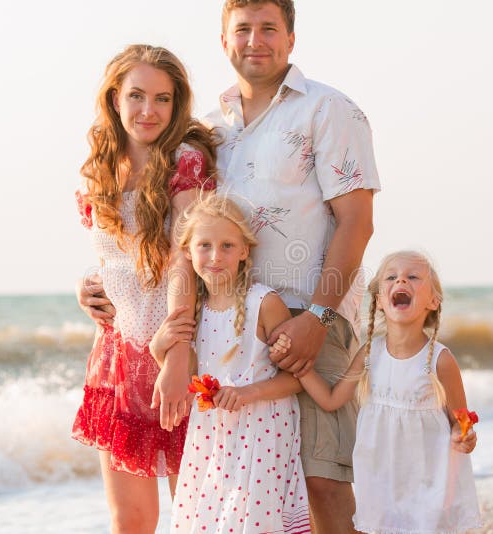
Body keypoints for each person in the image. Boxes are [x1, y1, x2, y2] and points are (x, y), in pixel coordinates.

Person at [204, 0, 381, 530]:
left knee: (323, 483)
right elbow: (184, 232)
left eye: (268, 29)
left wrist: (318, 318)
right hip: (235, 329)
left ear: (291, 39)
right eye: (242, 29)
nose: (254, 40)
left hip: (312, 318)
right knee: (254, 489)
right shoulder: (209, 129)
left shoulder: (328, 109)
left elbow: (356, 223)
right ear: (224, 40)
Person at [71, 44, 216, 534]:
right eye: (136, 96)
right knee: (129, 521)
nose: (148, 110)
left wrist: (176, 356)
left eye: (162, 99)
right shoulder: (98, 171)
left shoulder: (185, 162)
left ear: (177, 105)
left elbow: (185, 259)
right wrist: (84, 287)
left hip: (174, 351)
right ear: (115, 99)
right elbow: (113, 260)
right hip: (115, 357)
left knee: (195, 516)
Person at [150, 195, 311, 533]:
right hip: (213, 439)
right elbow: (191, 376)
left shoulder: (263, 303)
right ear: (188, 252)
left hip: (262, 433)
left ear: (243, 251)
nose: (215, 256)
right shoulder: (194, 313)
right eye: (204, 245)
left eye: (226, 246)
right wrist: (157, 349)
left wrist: (249, 392)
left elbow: (298, 378)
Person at [290, 251, 482, 533]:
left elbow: (459, 423)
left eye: (413, 277)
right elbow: (331, 400)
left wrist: (463, 436)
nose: (400, 279)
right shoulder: (369, 355)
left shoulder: (440, 361)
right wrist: (300, 367)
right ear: (380, 300)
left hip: (428, 483)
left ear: (433, 301)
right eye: (391, 277)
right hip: (381, 481)